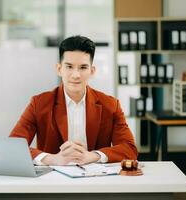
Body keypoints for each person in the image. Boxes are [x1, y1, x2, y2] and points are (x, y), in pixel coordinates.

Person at [10, 35, 137, 166]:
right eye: (69, 67)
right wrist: (52, 159)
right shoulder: (39, 103)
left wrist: (93, 156)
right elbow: (13, 146)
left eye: (83, 68)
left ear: (92, 71)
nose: (76, 75)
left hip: (96, 179)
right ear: (59, 69)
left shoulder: (110, 105)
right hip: (52, 179)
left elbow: (129, 148)